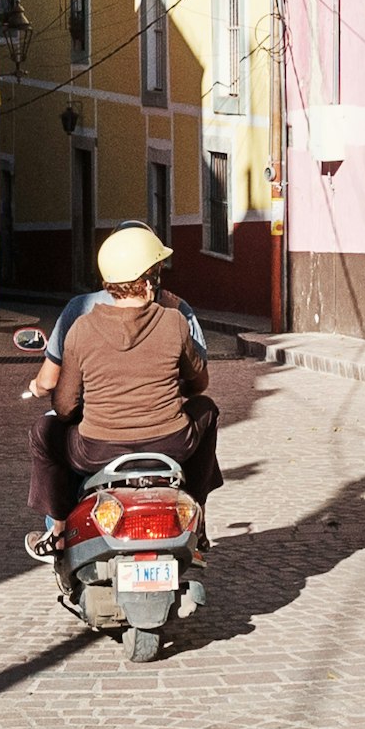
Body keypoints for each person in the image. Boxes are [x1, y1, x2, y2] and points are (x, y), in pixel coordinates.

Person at [25, 223, 221, 560]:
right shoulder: (175, 321)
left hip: (96, 451)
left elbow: (65, 406)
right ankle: (198, 516)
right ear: (149, 282)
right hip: (171, 444)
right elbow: (199, 385)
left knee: (45, 430)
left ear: (108, 284)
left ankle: (57, 532)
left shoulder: (81, 329)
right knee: (207, 408)